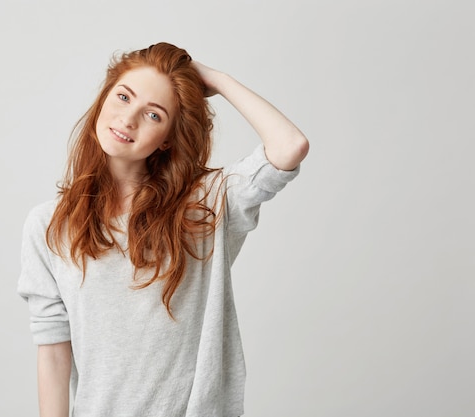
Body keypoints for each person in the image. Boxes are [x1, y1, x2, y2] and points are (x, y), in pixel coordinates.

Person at [18, 42, 309, 417]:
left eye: (153, 115)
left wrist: (216, 80)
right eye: (123, 97)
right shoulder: (47, 225)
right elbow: (54, 354)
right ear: (105, 96)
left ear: (169, 137)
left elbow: (289, 146)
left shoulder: (207, 205)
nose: (128, 119)